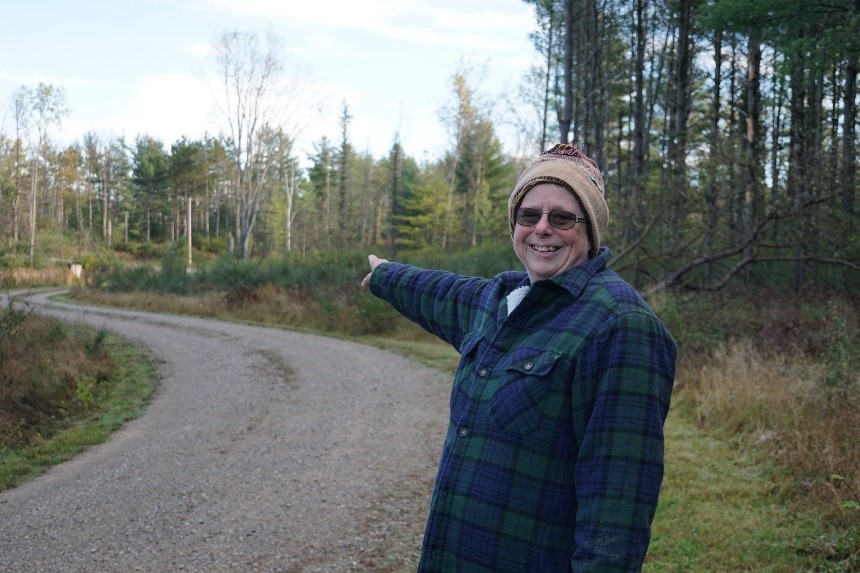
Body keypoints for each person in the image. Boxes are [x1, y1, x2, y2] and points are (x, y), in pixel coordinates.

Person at [361, 143, 676, 572]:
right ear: (515, 224)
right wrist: (385, 275)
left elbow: (615, 519)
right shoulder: (502, 301)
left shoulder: (620, 326)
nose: (542, 228)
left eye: (562, 217)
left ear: (591, 229)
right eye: (529, 215)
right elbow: (438, 294)